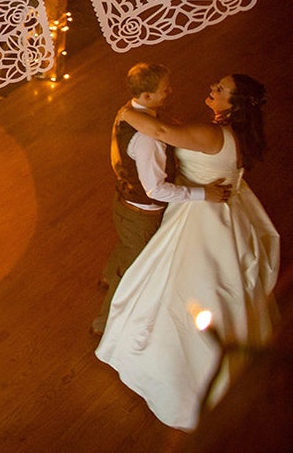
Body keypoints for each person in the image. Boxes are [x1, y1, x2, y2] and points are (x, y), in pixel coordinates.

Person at [96, 74, 280, 431]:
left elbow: (162, 135)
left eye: (221, 90)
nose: (211, 88)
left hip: (200, 212)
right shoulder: (233, 133)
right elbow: (177, 132)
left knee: (179, 281)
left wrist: (128, 111)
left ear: (235, 104)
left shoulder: (212, 135)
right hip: (228, 209)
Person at [92, 63, 230, 336]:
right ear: (146, 96)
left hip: (124, 204)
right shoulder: (147, 140)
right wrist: (205, 194)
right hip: (142, 213)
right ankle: (104, 323)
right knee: (132, 269)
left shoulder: (129, 112)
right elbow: (156, 190)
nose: (170, 92)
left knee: (126, 244)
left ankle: (107, 276)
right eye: (164, 90)